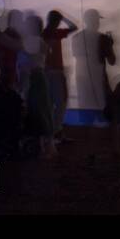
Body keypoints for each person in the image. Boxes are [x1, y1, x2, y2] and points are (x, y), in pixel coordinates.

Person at [21, 14, 57, 158]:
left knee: (39, 110)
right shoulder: (39, 41)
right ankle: (45, 146)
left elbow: (27, 59)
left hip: (34, 78)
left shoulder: (32, 41)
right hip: (37, 77)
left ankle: (46, 147)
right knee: (42, 110)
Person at [42, 10, 77, 142]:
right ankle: (56, 131)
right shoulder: (56, 33)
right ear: (57, 21)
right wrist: (64, 18)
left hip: (46, 72)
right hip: (56, 71)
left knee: (51, 103)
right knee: (61, 101)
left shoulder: (43, 33)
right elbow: (74, 27)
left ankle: (52, 132)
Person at [0, 11, 23, 91]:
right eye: (20, 20)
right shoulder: (3, 38)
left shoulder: (2, 38)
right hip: (9, 81)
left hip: (11, 80)